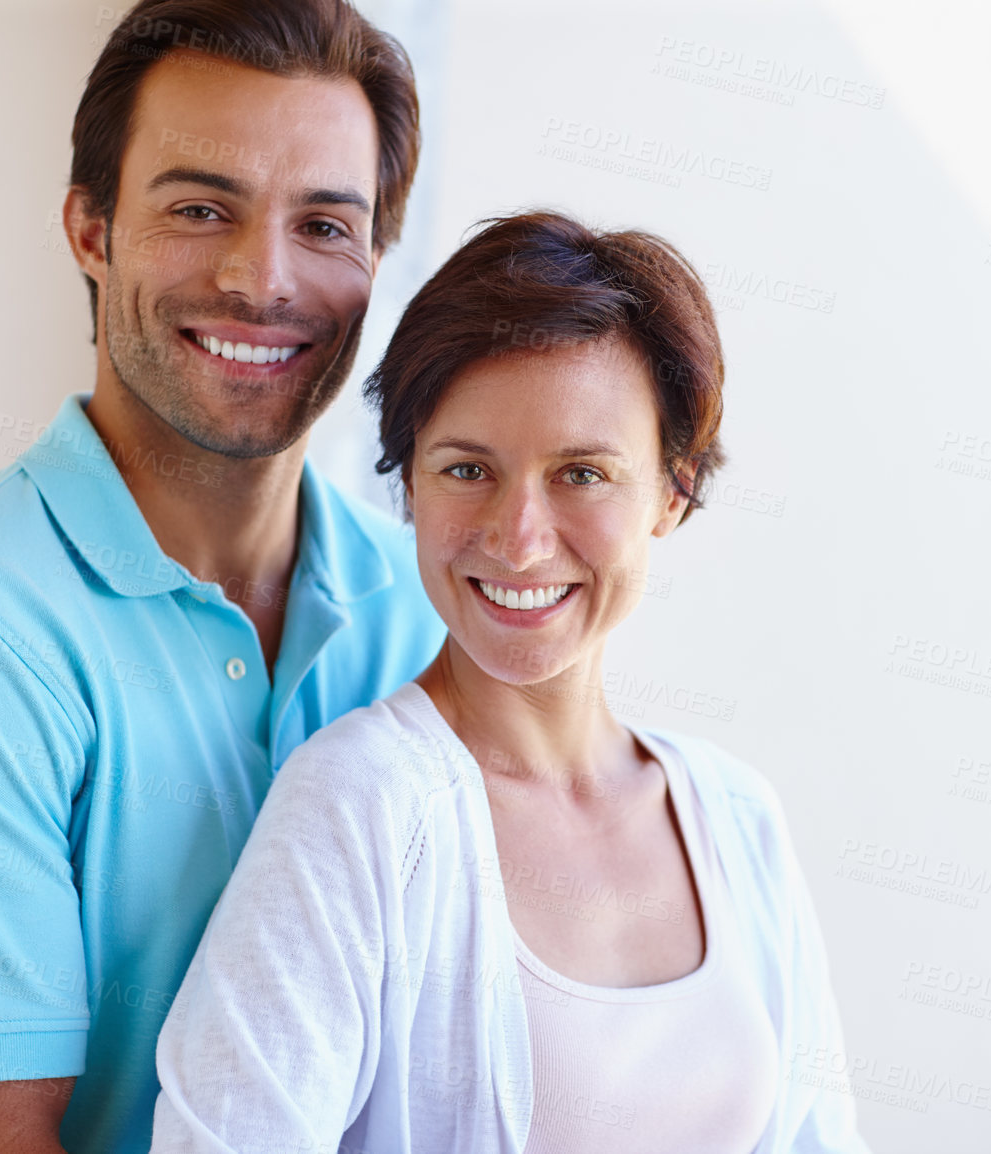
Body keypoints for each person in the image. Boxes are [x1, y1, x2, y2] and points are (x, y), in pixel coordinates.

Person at [0, 3, 442, 1152]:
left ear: (376, 258)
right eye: (199, 208)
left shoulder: (434, 614)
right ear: (90, 228)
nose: (260, 278)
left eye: (325, 225)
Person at [150, 211, 872, 1153]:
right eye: (467, 469)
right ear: (408, 486)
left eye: (582, 472)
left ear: (673, 489)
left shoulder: (738, 819)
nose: (519, 536)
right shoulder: (360, 810)